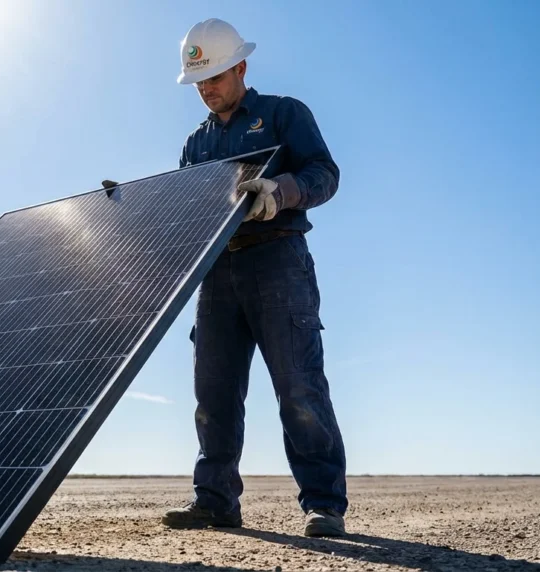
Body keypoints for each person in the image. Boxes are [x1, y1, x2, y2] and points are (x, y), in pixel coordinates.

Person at [103, 18, 348, 537]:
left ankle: (324, 504)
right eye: (199, 82)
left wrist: (278, 192)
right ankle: (214, 501)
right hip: (216, 272)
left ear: (241, 66)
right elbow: (183, 214)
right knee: (213, 393)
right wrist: (126, 210)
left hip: (278, 261)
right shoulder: (196, 144)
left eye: (214, 77)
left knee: (299, 387)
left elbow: (325, 174)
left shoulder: (284, 114)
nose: (206, 90)